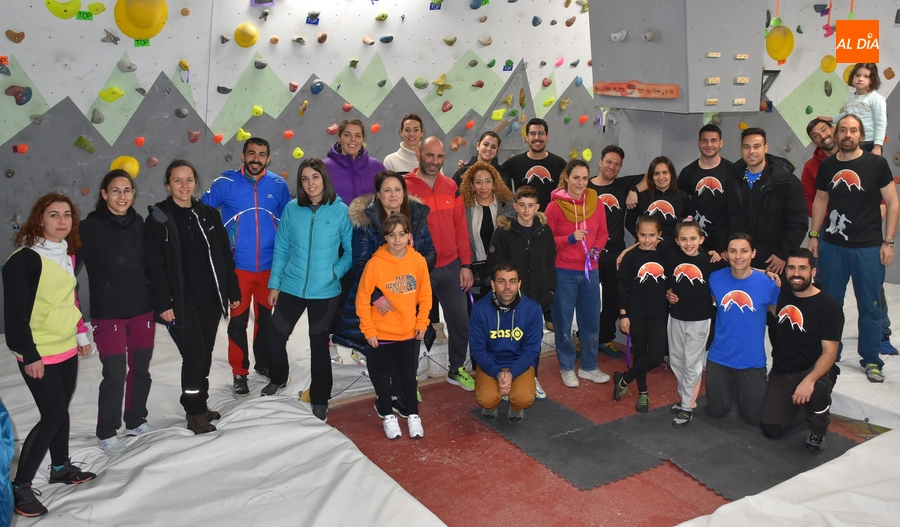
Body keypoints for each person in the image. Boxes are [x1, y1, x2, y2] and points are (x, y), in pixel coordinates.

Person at [3, 193, 97, 517]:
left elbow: (69, 298)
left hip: (65, 346)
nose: (62, 221)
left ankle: (60, 467)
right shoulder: (24, 260)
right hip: (38, 351)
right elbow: (14, 315)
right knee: (53, 414)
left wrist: (80, 333)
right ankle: (20, 487)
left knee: (60, 410)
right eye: (54, 214)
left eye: (67, 215)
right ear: (39, 219)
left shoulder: (66, 253)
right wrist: (29, 354)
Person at [144, 160, 241, 435]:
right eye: (177, 180)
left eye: (189, 180)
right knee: (195, 354)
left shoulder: (208, 214)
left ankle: (200, 403)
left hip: (209, 299)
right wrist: (163, 302)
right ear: (168, 184)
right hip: (180, 303)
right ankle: (194, 411)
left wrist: (231, 289)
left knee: (204, 354)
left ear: (195, 182)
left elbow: (224, 255)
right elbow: (153, 265)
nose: (184, 185)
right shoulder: (159, 219)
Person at [335, 171, 436, 416]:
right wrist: (376, 296)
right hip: (379, 299)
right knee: (380, 353)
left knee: (407, 354)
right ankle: (384, 397)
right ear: (378, 195)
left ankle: (402, 395)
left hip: (408, 294)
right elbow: (361, 264)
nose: (393, 195)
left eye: (398, 189)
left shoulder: (417, 214)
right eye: (387, 190)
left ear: (405, 193)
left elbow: (430, 253)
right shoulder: (365, 220)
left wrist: (412, 271)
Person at [809, 114, 899, 383]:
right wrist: (814, 235)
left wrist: (889, 242)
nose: (848, 135)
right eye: (844, 130)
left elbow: (892, 203)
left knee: (870, 306)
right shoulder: (828, 166)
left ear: (861, 135)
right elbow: (820, 200)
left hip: (868, 248)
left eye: (853, 130)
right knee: (831, 305)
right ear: (837, 134)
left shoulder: (877, 164)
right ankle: (830, 354)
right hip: (833, 247)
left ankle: (871, 359)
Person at [202, 137, 291, 397]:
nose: (256, 159)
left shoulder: (278, 184)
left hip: (269, 267)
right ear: (243, 156)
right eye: (251, 153)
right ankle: (239, 373)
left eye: (262, 154)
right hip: (237, 267)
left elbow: (288, 221)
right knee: (237, 324)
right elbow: (201, 213)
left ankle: (262, 363)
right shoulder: (226, 183)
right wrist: (218, 248)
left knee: (266, 321)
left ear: (268, 159)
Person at [265, 159, 352, 421]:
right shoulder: (292, 209)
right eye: (304, 178)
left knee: (318, 347)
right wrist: (275, 284)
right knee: (274, 339)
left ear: (324, 179)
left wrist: (333, 273)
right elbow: (282, 249)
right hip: (292, 286)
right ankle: (279, 377)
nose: (310, 183)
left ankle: (320, 398)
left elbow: (350, 252)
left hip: (325, 291)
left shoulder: (340, 210)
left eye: (315, 177)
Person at [79, 170, 155, 456]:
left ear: (133, 194)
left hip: (142, 310)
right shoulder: (88, 227)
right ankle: (107, 431)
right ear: (103, 194)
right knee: (114, 373)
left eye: (127, 190)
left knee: (141, 369)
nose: (122, 196)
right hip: (108, 313)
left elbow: (149, 264)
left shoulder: (138, 222)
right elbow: (67, 267)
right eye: (115, 190)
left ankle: (135, 420)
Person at [405, 137, 476, 391]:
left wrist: (466, 264)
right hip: (419, 268)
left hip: (451, 266)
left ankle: (456, 369)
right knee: (413, 326)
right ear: (418, 154)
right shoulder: (405, 188)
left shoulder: (451, 186)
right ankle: (409, 380)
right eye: (429, 155)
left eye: (439, 156)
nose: (434, 161)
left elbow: (460, 228)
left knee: (460, 322)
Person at [760, 248, 844, 453]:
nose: (796, 273)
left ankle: (818, 426)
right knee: (772, 428)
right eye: (791, 268)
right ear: (785, 270)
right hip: (783, 370)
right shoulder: (782, 290)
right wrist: (766, 272)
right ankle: (803, 407)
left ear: (813, 272)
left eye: (802, 268)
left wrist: (809, 380)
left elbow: (830, 353)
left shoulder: (829, 308)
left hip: (813, 369)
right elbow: (744, 267)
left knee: (817, 390)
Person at [357, 213, 431, 439]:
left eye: (401, 234)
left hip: (407, 331)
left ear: (409, 236)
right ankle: (388, 415)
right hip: (381, 333)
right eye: (391, 235)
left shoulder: (418, 261)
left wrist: (422, 322)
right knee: (382, 375)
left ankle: (414, 415)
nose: (397, 240)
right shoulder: (375, 264)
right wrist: (368, 330)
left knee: (408, 375)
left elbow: (425, 295)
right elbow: (362, 298)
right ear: (385, 237)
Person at [487, 185, 556, 399]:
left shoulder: (544, 231)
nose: (526, 210)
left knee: (532, 342)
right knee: (509, 340)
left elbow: (550, 261)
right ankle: (505, 380)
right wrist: (502, 291)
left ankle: (532, 377)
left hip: (537, 296)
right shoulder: (504, 232)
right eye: (522, 205)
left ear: (537, 207)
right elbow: (495, 264)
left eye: (530, 205)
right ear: (515, 206)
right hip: (511, 298)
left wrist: (550, 288)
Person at [545, 159, 610, 387]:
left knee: (591, 321)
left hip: (590, 271)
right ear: (566, 178)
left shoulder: (596, 203)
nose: (580, 183)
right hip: (563, 272)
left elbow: (602, 232)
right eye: (576, 178)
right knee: (563, 323)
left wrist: (596, 249)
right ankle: (566, 367)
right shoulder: (554, 207)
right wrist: (569, 239)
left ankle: (589, 367)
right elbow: (546, 241)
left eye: (584, 178)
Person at [705, 234, 780, 425]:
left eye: (744, 251)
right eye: (733, 251)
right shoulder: (715, 278)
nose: (738, 256)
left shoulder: (768, 283)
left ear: (753, 253)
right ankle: (732, 390)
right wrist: (672, 293)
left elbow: (781, 316)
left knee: (756, 418)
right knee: (716, 412)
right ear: (726, 254)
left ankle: (742, 392)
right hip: (719, 357)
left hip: (751, 360)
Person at [718, 127, 807, 274]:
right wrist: (722, 248)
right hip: (738, 259)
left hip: (772, 262)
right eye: (746, 147)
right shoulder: (733, 179)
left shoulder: (786, 181)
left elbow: (797, 222)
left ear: (766, 147)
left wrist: (782, 254)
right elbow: (723, 217)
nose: (751, 151)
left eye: (757, 146)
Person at [663, 219, 725, 427]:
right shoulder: (672, 257)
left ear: (701, 239)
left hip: (699, 319)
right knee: (676, 360)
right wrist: (668, 292)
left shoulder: (710, 261)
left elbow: (739, 268)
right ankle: (685, 397)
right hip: (676, 316)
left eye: (692, 239)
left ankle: (688, 406)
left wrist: (767, 272)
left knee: (692, 363)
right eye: (683, 239)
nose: (688, 243)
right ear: (677, 241)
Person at [587, 145, 644, 358]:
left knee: (612, 300)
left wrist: (634, 189)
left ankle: (605, 339)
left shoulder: (622, 185)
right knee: (587, 300)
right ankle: (583, 339)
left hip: (614, 255)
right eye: (609, 162)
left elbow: (651, 174)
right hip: (589, 254)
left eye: (617, 164)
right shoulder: (586, 187)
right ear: (600, 162)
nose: (612, 167)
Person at [471, 262, 542, 422]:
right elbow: (477, 350)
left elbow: (532, 350)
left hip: (519, 363)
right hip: (491, 362)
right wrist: (497, 372)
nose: (507, 287)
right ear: (493, 284)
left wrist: (512, 373)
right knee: (487, 399)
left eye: (512, 281)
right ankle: (491, 403)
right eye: (501, 281)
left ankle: (516, 407)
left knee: (523, 398)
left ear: (519, 284)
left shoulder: (533, 309)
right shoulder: (479, 309)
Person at [614, 215, 670, 413]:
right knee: (639, 353)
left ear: (659, 235)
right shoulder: (631, 257)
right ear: (637, 235)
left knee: (656, 356)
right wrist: (623, 314)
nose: (647, 240)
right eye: (643, 235)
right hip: (636, 312)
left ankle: (624, 379)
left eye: (652, 235)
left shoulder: (665, 254)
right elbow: (621, 286)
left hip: (658, 313)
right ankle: (643, 393)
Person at [459, 162, 514, 309]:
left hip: (503, 275)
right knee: (478, 315)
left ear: (494, 184)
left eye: (488, 181)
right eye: (478, 182)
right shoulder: (464, 209)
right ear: (471, 185)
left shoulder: (508, 207)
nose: (483, 187)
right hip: (476, 276)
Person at [677, 124, 733, 252]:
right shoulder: (687, 172)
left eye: (713, 140)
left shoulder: (732, 171)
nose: (709, 145)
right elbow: (682, 207)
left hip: (725, 238)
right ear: (698, 143)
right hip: (695, 240)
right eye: (704, 140)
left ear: (721, 143)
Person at [626, 156, 691, 254]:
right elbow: (629, 223)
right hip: (647, 250)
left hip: (674, 250)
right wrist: (644, 240)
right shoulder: (641, 196)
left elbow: (688, 225)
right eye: (656, 173)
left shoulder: (683, 197)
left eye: (665, 172)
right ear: (651, 176)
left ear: (671, 174)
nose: (661, 177)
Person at [818, 63, 886, 156]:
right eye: (857, 75)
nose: (860, 79)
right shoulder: (849, 97)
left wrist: (877, 146)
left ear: (871, 80)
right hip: (853, 141)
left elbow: (880, 124)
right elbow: (846, 116)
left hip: (869, 142)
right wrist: (830, 119)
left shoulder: (876, 99)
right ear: (852, 77)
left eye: (866, 76)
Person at [499, 118, 568, 209]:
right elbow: (495, 178)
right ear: (527, 137)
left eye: (541, 133)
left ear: (547, 136)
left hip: (550, 216)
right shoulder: (514, 163)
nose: (536, 137)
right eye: (532, 133)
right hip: (523, 216)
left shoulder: (559, 163)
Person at [324, 118, 387, 203]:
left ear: (363, 139)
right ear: (339, 137)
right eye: (347, 135)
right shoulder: (324, 167)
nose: (353, 139)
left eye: (358, 136)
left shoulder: (377, 167)